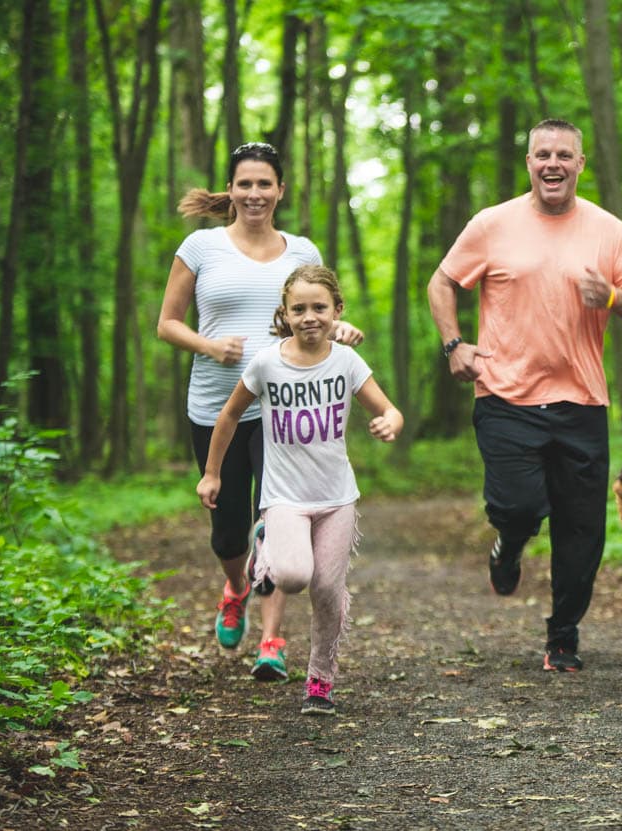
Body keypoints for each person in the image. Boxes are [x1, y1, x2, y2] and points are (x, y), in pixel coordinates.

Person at [427, 118, 622, 672]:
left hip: (581, 401)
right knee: (519, 506)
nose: (553, 163)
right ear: (529, 162)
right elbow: (442, 282)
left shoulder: (607, 229)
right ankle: (510, 541)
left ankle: (563, 636)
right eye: (542, 154)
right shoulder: (492, 224)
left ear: (580, 164)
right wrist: (454, 344)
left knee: (582, 532)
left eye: (564, 155)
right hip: (505, 396)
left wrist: (612, 295)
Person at [158, 142, 363, 682]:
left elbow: (319, 310)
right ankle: (235, 587)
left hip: (284, 410)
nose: (254, 193)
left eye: (264, 184)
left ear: (280, 190)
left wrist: (340, 330)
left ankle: (272, 641)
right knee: (229, 534)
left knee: (276, 525)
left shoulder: (302, 251)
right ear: (231, 189)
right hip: (216, 407)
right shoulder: (200, 247)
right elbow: (167, 323)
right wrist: (209, 346)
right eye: (244, 184)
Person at [197, 265, 404, 715]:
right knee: (292, 577)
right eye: (299, 309)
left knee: (327, 589)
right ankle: (265, 546)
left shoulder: (346, 362)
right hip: (284, 497)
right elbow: (229, 415)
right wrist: (212, 473)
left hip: (336, 497)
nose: (310, 317)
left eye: (319, 307)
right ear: (285, 313)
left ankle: (319, 680)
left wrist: (390, 422)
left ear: (337, 310)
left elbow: (389, 408)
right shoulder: (267, 363)